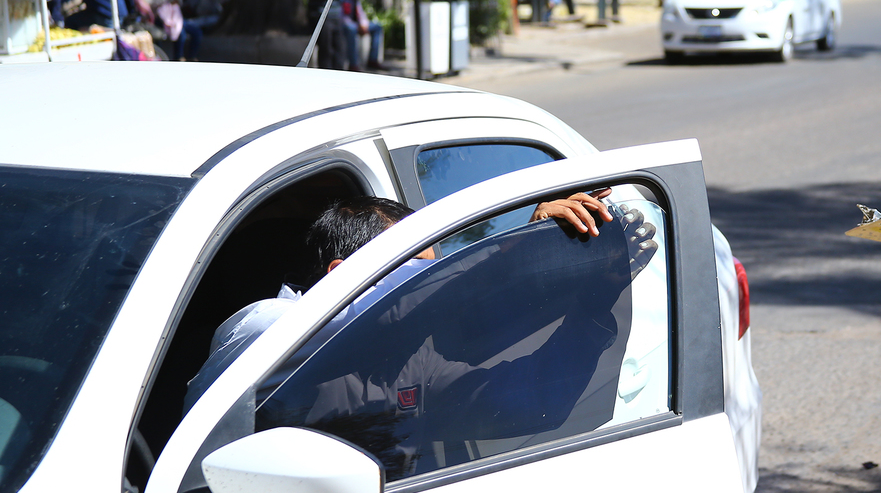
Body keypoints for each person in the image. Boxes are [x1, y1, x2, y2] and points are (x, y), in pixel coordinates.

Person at [184, 190, 625, 411]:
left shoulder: (407, 363)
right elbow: (391, 312)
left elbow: (529, 402)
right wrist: (519, 249)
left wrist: (593, 305)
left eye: (429, 272)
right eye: (413, 272)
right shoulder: (264, 329)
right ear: (342, 278)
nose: (428, 283)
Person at [337, 0, 383, 71]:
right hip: (345, 25)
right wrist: (356, 25)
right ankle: (353, 64)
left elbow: (359, 11)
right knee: (351, 30)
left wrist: (363, 23)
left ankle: (372, 60)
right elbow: (341, 15)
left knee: (377, 27)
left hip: (356, 24)